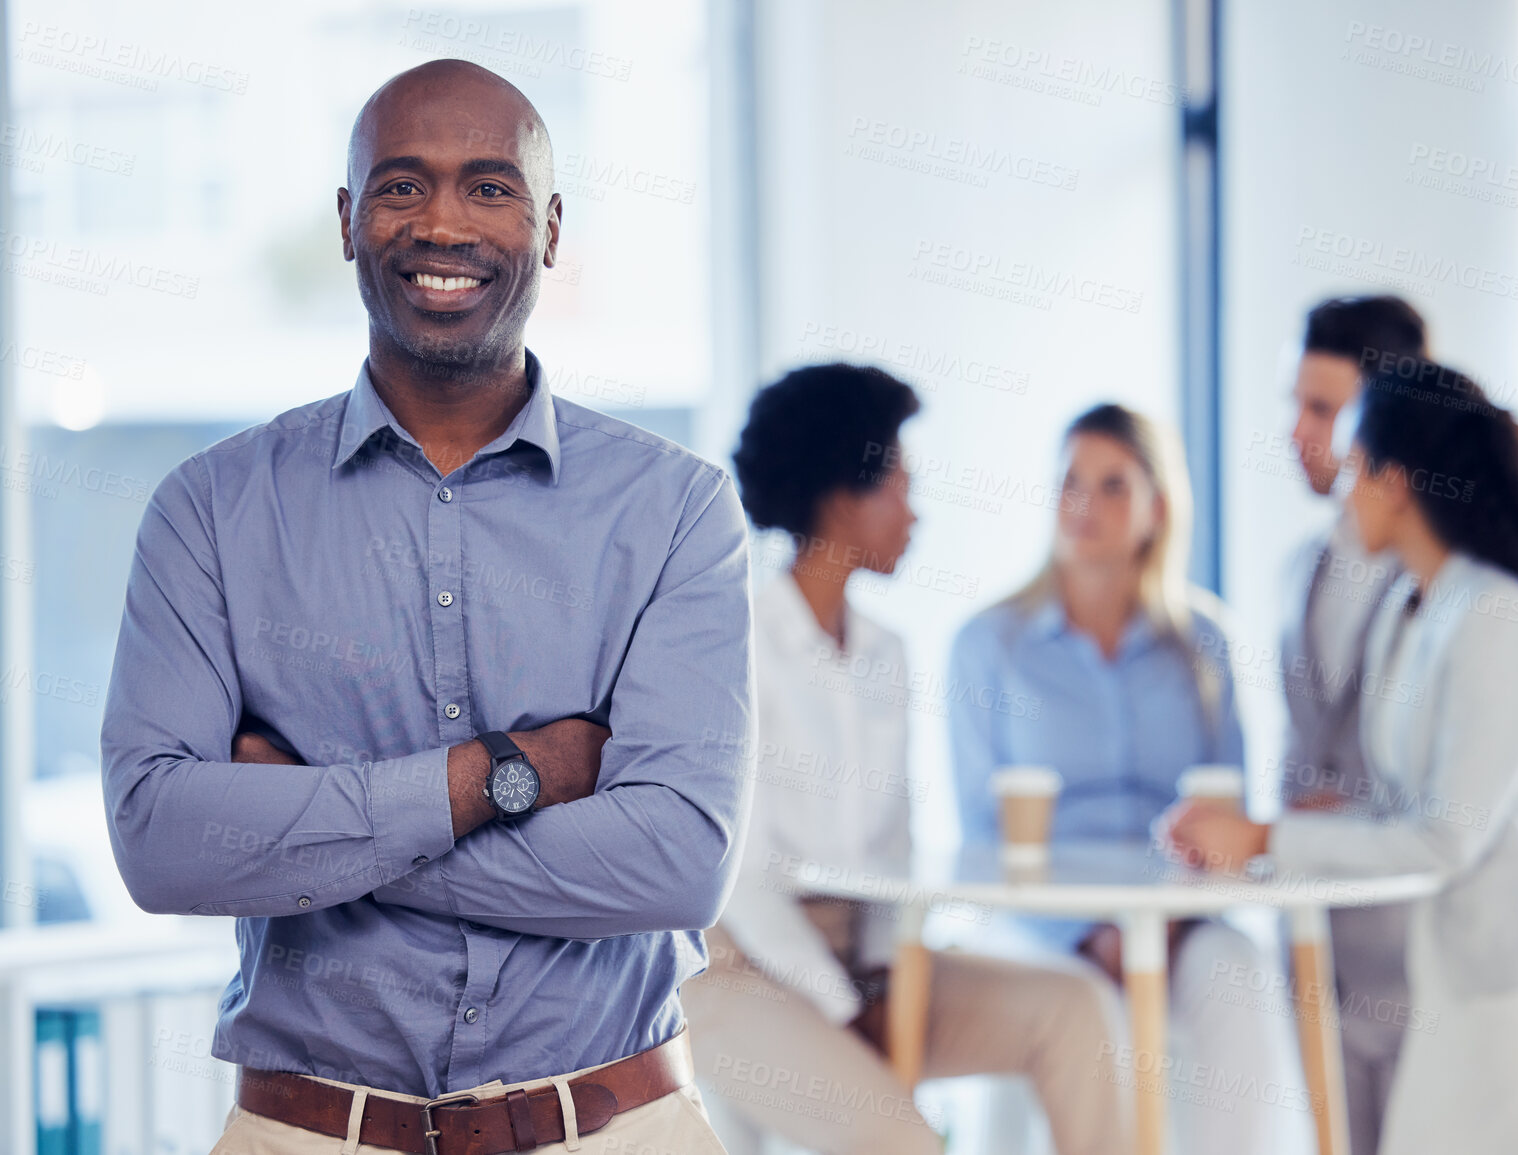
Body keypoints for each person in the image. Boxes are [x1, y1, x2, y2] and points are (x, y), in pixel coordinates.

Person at [100, 60, 751, 1154]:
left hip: (617, 1126)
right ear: (350, 222)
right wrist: (509, 776)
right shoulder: (208, 510)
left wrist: (313, 831)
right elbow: (162, 844)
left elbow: (679, 861)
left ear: (549, 227)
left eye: (489, 188)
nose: (443, 223)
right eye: (402, 186)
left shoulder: (676, 509)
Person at [1169, 359, 1518, 1155]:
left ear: (1395, 482)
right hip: (1458, 1002)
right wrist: (1289, 825)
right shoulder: (1410, 606)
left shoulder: (1495, 613)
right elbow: (1407, 804)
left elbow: (1445, 837)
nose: (1342, 487)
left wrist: (1264, 840)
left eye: (1355, 466)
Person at [682, 364, 1130, 1155]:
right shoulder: (736, 643)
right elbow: (742, 881)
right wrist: (848, 1009)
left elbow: (893, 849)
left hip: (862, 958)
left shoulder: (887, 653)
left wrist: (889, 974)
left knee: (1077, 1013)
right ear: (840, 496)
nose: (914, 513)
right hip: (740, 969)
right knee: (906, 1144)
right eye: (899, 486)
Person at [948, 403, 1294, 1153]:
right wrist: (1083, 932)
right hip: (1037, 921)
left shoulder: (1205, 647)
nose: (1084, 505)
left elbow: (1227, 817)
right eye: (1070, 482)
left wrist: (1166, 920)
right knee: (1082, 1009)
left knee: (1241, 978)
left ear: (1156, 509)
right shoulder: (988, 646)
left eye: (1112, 485)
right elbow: (978, 832)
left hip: (1178, 916)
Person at [1278, 294, 1428, 1154]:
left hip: (1416, 953)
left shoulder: (1440, 584)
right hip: (1314, 947)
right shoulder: (1298, 569)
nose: (1298, 430)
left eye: (1322, 410)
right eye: (1295, 404)